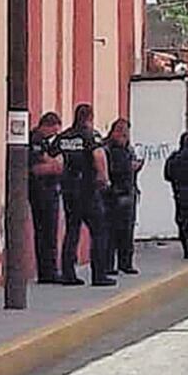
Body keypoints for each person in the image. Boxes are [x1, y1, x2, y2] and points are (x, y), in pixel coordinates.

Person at [56, 103, 115, 287]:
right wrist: (104, 179)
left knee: (72, 232)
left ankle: (68, 273)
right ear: (90, 117)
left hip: (69, 190)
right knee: (99, 232)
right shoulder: (90, 135)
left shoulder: (64, 136)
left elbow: (51, 156)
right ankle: (99, 275)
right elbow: (98, 155)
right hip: (88, 190)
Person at [28, 112, 64, 284]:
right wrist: (54, 165)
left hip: (48, 192)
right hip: (41, 193)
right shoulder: (35, 139)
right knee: (46, 234)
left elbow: (51, 162)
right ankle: (47, 272)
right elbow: (38, 167)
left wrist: (51, 163)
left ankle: (49, 270)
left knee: (49, 234)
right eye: (53, 131)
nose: (53, 135)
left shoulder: (43, 142)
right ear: (47, 126)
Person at [104, 118, 143, 275]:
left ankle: (125, 263)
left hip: (128, 191)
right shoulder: (109, 148)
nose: (125, 135)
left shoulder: (126, 148)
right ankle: (109, 265)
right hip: (115, 193)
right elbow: (114, 169)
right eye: (122, 131)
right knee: (112, 232)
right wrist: (130, 167)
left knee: (127, 230)